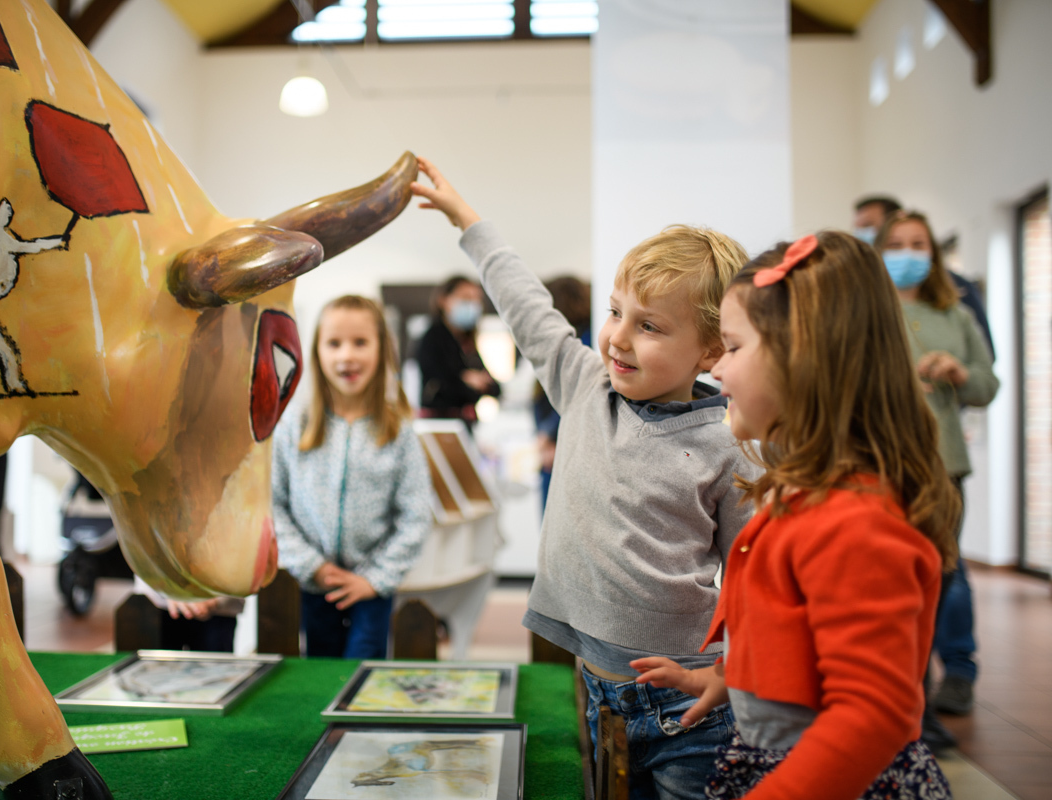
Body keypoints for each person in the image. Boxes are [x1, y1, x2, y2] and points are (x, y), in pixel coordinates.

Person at [412, 157, 758, 799]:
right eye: (616, 312)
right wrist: (468, 220)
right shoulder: (583, 384)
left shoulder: (729, 445)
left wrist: (736, 668)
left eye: (649, 326)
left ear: (710, 351)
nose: (618, 339)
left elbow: (757, 576)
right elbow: (525, 304)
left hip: (689, 705)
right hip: (596, 688)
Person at [633, 231, 958, 799]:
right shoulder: (806, 494)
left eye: (733, 349)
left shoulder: (857, 522)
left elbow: (870, 717)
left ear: (802, 360)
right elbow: (794, 632)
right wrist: (725, 677)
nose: (720, 372)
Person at [877, 210, 999, 722]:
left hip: (945, 467)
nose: (909, 253)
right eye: (898, 244)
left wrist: (958, 371)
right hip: (887, 464)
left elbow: (987, 386)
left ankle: (922, 707)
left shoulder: (958, 315)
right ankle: (902, 703)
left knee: (939, 582)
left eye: (918, 243)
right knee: (892, 591)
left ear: (933, 253)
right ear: (881, 252)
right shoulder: (872, 313)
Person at [272, 295, 431, 659]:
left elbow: (416, 515)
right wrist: (312, 566)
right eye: (334, 343)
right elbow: (272, 506)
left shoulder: (398, 431)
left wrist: (374, 579)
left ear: (381, 349)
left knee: (363, 673)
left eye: (360, 342)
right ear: (316, 352)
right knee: (318, 673)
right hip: (311, 584)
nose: (347, 355)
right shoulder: (295, 426)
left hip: (370, 588)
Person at [853, 195, 993, 356]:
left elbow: (986, 366)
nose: (862, 234)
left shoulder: (958, 293)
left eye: (868, 225)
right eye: (895, 245)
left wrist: (959, 374)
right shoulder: (862, 304)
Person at [534, 275, 591, 512]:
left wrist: (549, 436)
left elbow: (580, 391)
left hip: (565, 447)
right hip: (554, 447)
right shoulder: (561, 343)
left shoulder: (583, 343)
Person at [417, 276, 500, 427]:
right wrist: (469, 382)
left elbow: (495, 387)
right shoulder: (432, 339)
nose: (473, 304)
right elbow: (441, 386)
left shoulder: (467, 342)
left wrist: (469, 381)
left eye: (477, 299)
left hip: (464, 424)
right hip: (440, 425)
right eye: (466, 298)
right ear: (443, 300)